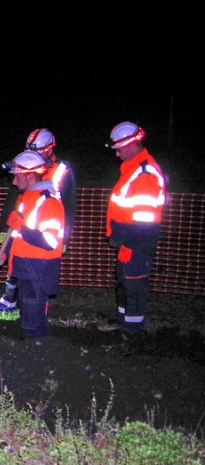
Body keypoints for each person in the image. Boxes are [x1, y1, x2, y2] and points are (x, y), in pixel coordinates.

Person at [0, 128, 77, 317]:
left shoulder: (62, 170)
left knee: (38, 277)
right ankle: (8, 308)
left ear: (50, 148)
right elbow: (12, 194)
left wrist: (65, 238)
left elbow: (69, 206)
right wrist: (5, 229)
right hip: (21, 221)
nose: (34, 155)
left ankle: (34, 315)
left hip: (47, 224)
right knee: (15, 267)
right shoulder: (25, 162)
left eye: (39, 151)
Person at [0, 150, 65, 339]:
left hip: (38, 271)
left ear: (29, 176)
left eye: (16, 177)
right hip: (25, 269)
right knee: (27, 321)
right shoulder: (25, 202)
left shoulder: (49, 203)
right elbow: (15, 237)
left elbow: (50, 242)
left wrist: (22, 227)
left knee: (33, 324)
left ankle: (36, 354)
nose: (13, 182)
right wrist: (1, 257)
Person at [104, 121, 166, 336]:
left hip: (137, 243)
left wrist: (129, 245)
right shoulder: (132, 169)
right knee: (123, 282)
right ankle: (123, 320)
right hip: (127, 240)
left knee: (134, 285)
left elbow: (144, 218)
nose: (117, 154)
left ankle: (133, 331)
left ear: (131, 144)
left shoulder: (144, 173)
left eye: (119, 149)